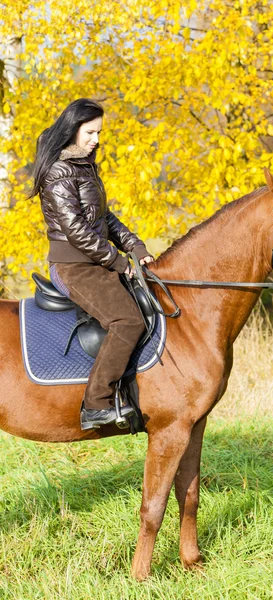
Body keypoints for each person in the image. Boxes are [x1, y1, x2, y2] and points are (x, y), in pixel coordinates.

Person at [30, 98, 154, 430]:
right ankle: (96, 404)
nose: (96, 139)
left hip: (94, 260)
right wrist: (117, 261)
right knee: (128, 321)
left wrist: (135, 246)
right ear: (72, 129)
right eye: (90, 132)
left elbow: (104, 219)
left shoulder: (85, 164)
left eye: (98, 132)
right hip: (73, 266)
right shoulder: (59, 170)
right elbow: (76, 231)